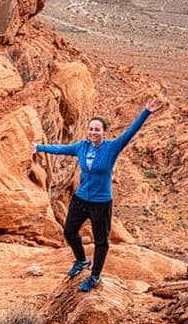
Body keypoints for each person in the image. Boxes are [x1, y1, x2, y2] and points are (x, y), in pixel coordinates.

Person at [32, 98, 164, 292]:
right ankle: (81, 261)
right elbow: (61, 149)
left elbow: (131, 132)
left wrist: (146, 111)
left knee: (101, 242)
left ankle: (94, 277)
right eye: (91, 129)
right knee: (69, 231)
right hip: (81, 198)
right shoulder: (81, 147)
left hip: (101, 202)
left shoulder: (112, 147)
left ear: (104, 132)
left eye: (97, 129)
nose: (93, 132)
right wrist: (39, 147)